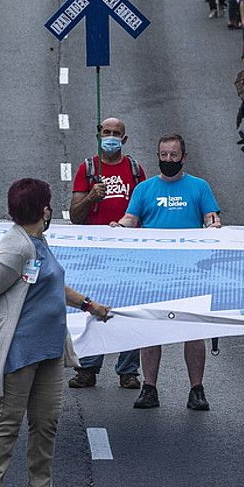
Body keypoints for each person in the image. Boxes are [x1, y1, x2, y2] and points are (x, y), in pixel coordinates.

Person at [0, 178, 113, 487]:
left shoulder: (37, 241)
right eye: (48, 204)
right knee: (7, 422)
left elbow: (50, 283)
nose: (51, 209)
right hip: (19, 351)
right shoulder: (15, 248)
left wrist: (87, 304)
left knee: (46, 422)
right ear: (42, 209)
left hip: (49, 350)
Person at [114, 134, 222, 411]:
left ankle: (196, 389)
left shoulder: (199, 187)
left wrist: (213, 226)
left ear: (184, 157)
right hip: (153, 273)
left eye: (174, 155)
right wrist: (119, 228)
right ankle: (149, 388)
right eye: (164, 155)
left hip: (190, 272)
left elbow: (212, 218)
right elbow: (131, 219)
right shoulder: (145, 189)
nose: (168, 160)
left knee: (192, 332)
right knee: (151, 331)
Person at [67, 118, 146, 389]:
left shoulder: (135, 170)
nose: (111, 137)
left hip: (128, 253)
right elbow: (76, 216)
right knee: (91, 308)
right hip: (94, 253)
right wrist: (90, 197)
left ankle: (128, 370)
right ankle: (88, 367)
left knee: (128, 309)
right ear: (99, 135)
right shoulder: (87, 169)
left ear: (124, 139)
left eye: (116, 134)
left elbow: (144, 211)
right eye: (106, 133)